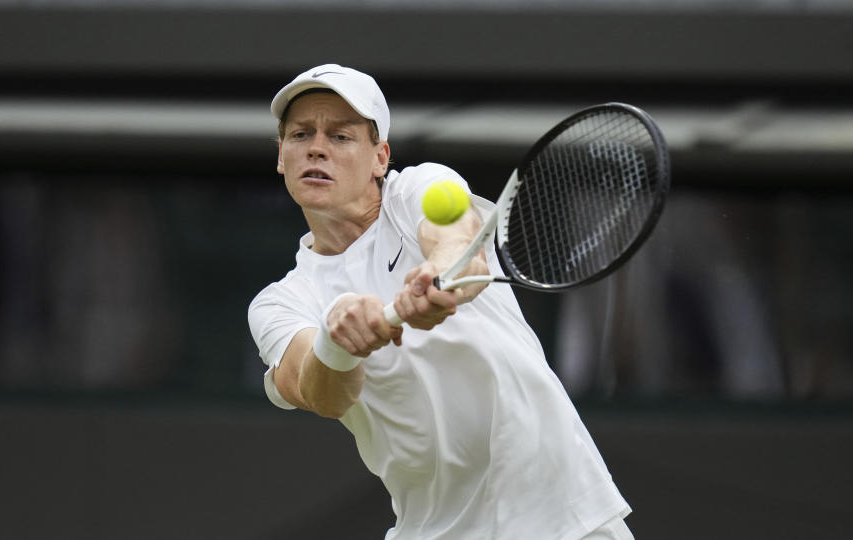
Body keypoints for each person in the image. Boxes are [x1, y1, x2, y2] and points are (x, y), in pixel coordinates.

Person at [248, 64, 633, 540]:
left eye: (341, 136)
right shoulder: (280, 302)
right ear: (282, 158)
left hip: (564, 515)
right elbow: (317, 392)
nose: (317, 147)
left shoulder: (419, 189)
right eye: (300, 134)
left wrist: (438, 276)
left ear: (379, 157)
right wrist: (337, 345)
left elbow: (458, 248)